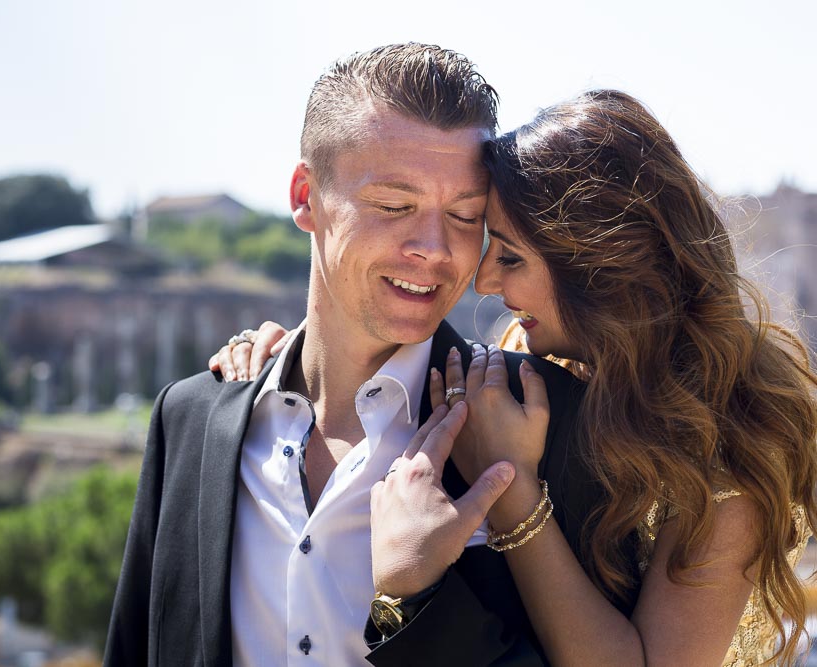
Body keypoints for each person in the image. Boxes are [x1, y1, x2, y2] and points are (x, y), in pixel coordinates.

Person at [221, 89, 817, 665]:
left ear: (601, 268)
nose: (483, 282)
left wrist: (509, 490)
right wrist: (287, 362)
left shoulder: (728, 448)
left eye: (508, 256)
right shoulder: (527, 369)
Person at [106, 43, 610, 666]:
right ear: (305, 196)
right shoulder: (189, 419)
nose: (434, 248)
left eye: (464, 214)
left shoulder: (551, 421)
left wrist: (416, 597)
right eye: (394, 206)